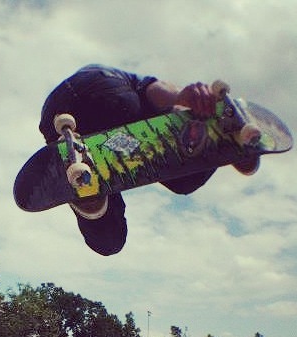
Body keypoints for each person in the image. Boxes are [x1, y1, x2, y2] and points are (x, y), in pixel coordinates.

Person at [39, 64, 258, 256]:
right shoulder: (130, 82)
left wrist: (181, 97)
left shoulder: (118, 80)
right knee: (183, 180)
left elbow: (156, 92)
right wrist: (180, 98)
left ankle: (84, 189)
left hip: (55, 113)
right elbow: (156, 90)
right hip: (111, 99)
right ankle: (210, 128)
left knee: (108, 241)